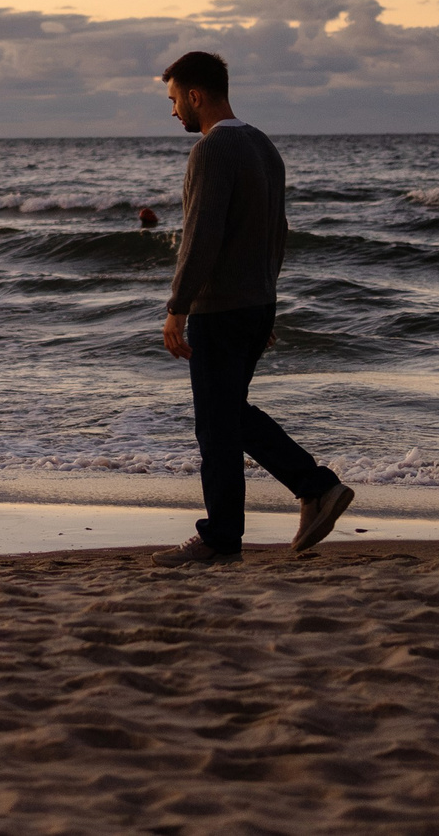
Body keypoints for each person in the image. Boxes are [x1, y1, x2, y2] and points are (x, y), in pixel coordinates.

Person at [154, 51, 354, 565]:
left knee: (215, 424)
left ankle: (226, 535)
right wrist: (265, 299)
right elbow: (276, 234)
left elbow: (200, 237)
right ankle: (313, 489)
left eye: (175, 100)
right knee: (227, 416)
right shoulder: (264, 147)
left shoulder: (212, 151)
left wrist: (177, 307)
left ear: (196, 95)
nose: (174, 112)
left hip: (221, 309)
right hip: (255, 303)